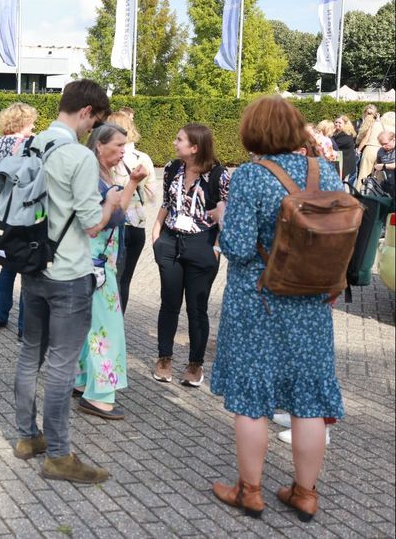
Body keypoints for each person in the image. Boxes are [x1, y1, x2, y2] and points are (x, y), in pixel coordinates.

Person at [210, 96, 345, 522]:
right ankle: (305, 493)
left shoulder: (250, 176)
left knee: (251, 397)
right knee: (308, 398)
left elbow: (234, 247)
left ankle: (249, 491)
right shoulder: (326, 171)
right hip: (311, 300)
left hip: (259, 301)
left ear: (254, 132)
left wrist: (222, 215)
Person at [12, 79, 124, 485]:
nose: (93, 129)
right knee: (61, 365)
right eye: (95, 120)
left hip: (33, 268)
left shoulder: (30, 143)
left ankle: (28, 437)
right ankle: (59, 456)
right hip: (69, 272)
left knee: (30, 353)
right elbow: (93, 223)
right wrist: (111, 201)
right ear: (87, 113)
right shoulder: (77, 155)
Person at [73, 123, 148, 420]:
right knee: (108, 329)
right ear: (99, 145)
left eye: (125, 146)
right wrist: (113, 199)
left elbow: (118, 214)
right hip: (95, 265)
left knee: (91, 326)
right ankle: (100, 395)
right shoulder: (90, 177)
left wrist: (130, 183)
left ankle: (82, 382)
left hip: (99, 263)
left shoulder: (102, 174)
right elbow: (95, 222)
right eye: (117, 146)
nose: (123, 152)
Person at [151, 123, 228, 388]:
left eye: (179, 139)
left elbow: (223, 214)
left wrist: (217, 248)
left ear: (195, 147)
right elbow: (165, 203)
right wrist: (156, 232)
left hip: (202, 245)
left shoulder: (218, 175)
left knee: (197, 309)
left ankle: (195, 364)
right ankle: (164, 358)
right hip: (171, 242)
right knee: (169, 303)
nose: (174, 142)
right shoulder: (173, 168)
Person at [0, 103, 38, 331]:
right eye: (32, 122)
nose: (34, 126)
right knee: (27, 267)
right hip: (23, 213)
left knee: (8, 264)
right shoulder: (28, 145)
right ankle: (25, 326)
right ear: (23, 122)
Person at [110, 111, 157, 312]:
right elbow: (153, 194)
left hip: (112, 223)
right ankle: (118, 323)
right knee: (125, 279)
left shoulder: (107, 155)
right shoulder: (143, 158)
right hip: (137, 224)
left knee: (111, 277)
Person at [356, 111, 396, 190]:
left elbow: (366, 138)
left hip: (370, 150)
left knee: (363, 174)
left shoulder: (375, 124)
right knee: (379, 177)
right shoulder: (393, 128)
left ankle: (359, 193)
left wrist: (359, 150)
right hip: (385, 152)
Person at [331, 114, 357, 182]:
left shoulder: (346, 135)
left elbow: (333, 145)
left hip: (346, 164)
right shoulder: (337, 133)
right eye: (336, 122)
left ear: (345, 124)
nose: (337, 124)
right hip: (341, 162)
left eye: (340, 123)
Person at [374, 131, 396, 197]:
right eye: (381, 144)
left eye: (385, 144)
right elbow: (378, 164)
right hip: (387, 184)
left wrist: (384, 166)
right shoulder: (380, 151)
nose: (383, 146)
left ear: (393, 140)